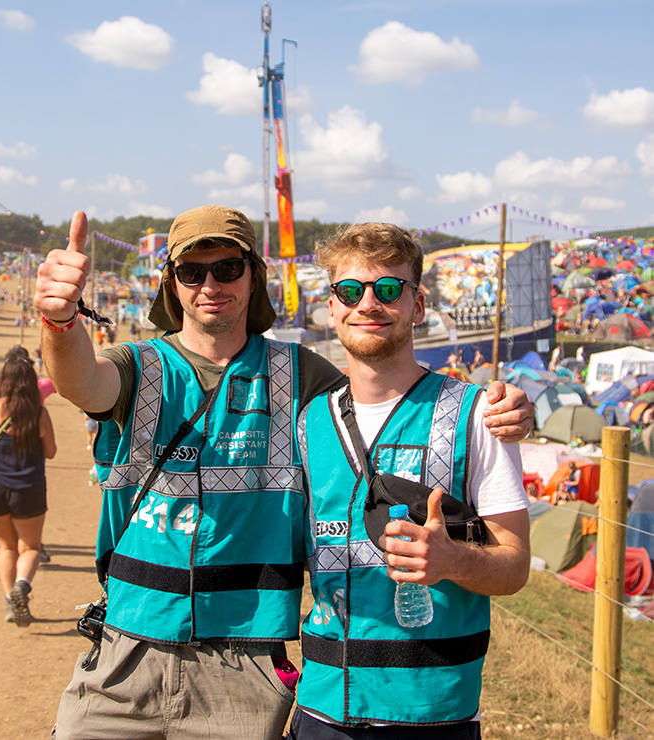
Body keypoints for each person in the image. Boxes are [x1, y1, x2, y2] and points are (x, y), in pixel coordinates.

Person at [34, 207, 532, 740]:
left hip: (246, 666)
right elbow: (81, 382)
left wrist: (502, 406)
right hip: (128, 648)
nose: (210, 284)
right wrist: (61, 321)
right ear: (171, 284)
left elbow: (382, 384)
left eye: (227, 268)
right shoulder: (140, 366)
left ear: (253, 278)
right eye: (192, 271)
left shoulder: (304, 377)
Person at [291, 223, 531, 738]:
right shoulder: (307, 424)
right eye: (351, 291)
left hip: (431, 713)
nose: (369, 304)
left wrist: (452, 560)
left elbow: (514, 568)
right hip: (322, 708)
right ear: (331, 308)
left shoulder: (476, 417)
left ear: (417, 305)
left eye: (389, 289)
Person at [0, 354, 57, 624]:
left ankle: (11, 603)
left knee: (6, 547)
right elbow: (51, 452)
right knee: (30, 547)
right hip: (28, 488)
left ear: (5, 380)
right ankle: (22, 585)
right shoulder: (39, 413)